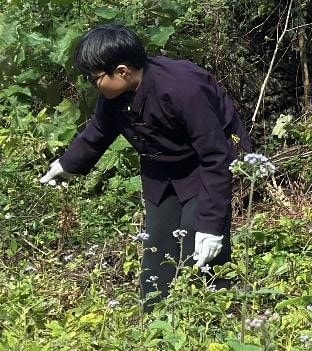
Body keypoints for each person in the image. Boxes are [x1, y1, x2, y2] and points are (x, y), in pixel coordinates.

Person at [39, 23, 252, 307]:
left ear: (123, 71)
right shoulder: (115, 96)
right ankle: (156, 321)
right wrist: (66, 165)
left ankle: (212, 320)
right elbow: (99, 131)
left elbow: (216, 155)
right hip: (162, 170)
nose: (93, 84)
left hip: (206, 167)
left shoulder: (183, 89)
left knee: (201, 245)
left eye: (95, 78)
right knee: (157, 248)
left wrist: (212, 225)